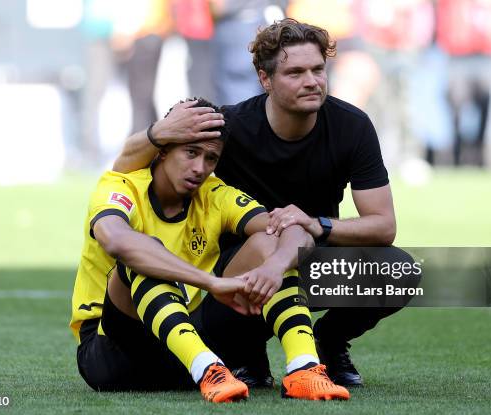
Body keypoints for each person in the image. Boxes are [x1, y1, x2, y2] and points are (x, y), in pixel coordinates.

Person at [112, 19, 410, 388]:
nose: (312, 81)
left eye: (318, 69)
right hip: (231, 284)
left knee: (398, 272)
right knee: (262, 246)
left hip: (305, 260)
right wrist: (158, 133)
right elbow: (124, 168)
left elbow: (383, 226)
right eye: (295, 72)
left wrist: (319, 224)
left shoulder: (353, 126)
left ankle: (328, 344)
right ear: (265, 79)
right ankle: (245, 353)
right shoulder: (230, 126)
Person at [70, 98, 351, 402]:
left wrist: (276, 264)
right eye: (191, 153)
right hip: (112, 354)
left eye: (211, 159)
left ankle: (304, 369)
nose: (200, 168)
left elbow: (295, 229)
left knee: (271, 243)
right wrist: (210, 283)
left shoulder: (215, 194)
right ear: (163, 150)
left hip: (184, 346)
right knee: (144, 253)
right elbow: (117, 241)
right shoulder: (120, 185)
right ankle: (209, 371)